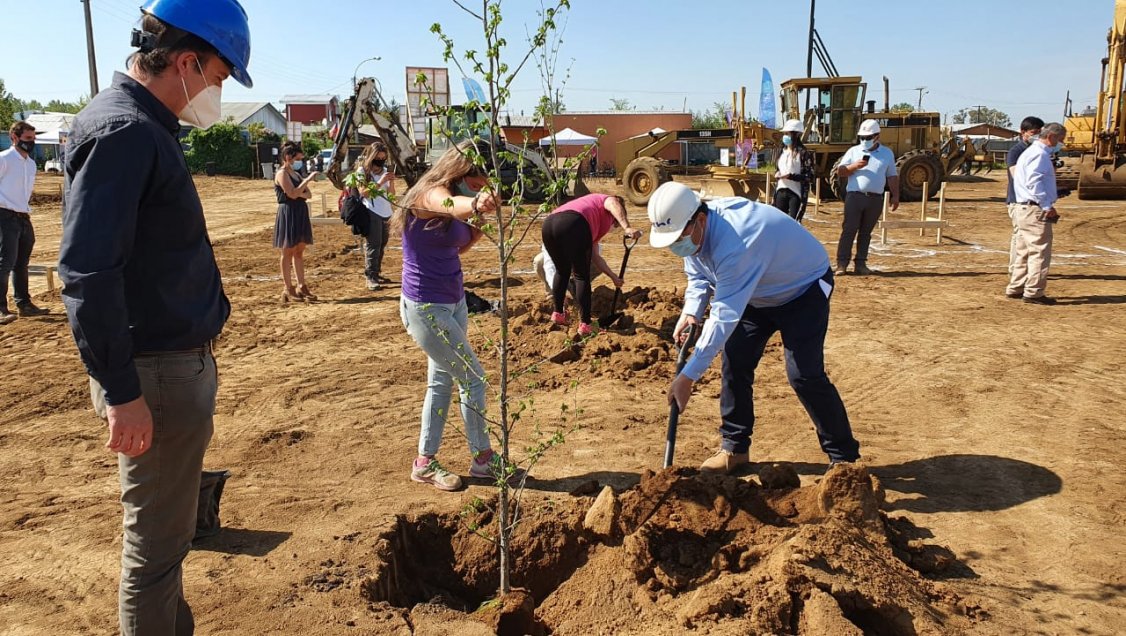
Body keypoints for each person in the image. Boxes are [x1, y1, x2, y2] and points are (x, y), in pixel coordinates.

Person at [56, 0, 252, 633]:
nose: (217, 92)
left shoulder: (140, 127)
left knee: (164, 545)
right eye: (220, 78)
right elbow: (87, 272)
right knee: (155, 555)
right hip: (156, 378)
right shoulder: (125, 132)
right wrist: (122, 393)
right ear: (188, 61)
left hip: (163, 371)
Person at [647, 181, 860, 475]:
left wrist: (688, 376)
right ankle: (734, 449)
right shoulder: (693, 234)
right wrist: (691, 313)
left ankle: (844, 460)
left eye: (677, 237)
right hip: (758, 292)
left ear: (700, 220)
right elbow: (698, 278)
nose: (675, 245)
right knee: (735, 361)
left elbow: (723, 316)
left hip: (804, 288)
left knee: (804, 375)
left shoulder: (737, 241)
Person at [395, 141, 504, 491]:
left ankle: (425, 462)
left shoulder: (463, 199)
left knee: (442, 381)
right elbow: (446, 203)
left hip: (454, 303)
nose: (481, 185)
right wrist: (471, 204)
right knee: (474, 378)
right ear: (460, 171)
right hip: (426, 308)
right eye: (476, 180)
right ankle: (483, 459)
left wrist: (480, 218)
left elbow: (457, 244)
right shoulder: (428, 195)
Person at [540, 193, 642, 336]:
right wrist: (627, 227)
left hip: (549, 225)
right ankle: (586, 325)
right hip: (574, 223)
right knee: (581, 276)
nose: (613, 225)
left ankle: (558, 314)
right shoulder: (607, 200)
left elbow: (596, 257)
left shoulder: (590, 215)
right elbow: (613, 203)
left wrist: (613, 277)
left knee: (562, 271)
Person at [1009, 122, 1065, 305]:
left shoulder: (1029, 152)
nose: (1061, 144)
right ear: (1051, 137)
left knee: (1023, 250)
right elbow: (1034, 182)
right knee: (1039, 251)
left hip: (1023, 206)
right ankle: (1034, 292)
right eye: (1060, 140)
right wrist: (1047, 205)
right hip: (1034, 209)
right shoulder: (1040, 155)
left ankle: (1016, 286)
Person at [834, 119, 899, 275]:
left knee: (865, 232)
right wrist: (854, 166)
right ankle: (842, 264)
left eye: (867, 137)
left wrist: (896, 196)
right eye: (862, 137)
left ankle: (860, 264)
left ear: (877, 136)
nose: (864, 141)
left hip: (875, 199)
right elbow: (840, 171)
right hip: (855, 197)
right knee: (849, 230)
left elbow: (892, 176)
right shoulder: (853, 151)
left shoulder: (887, 153)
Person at [0, 120, 49, 324]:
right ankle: (1, 308)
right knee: (5, 262)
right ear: (14, 138)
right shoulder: (4, 159)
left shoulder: (30, 164)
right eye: (28, 138)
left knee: (21, 263)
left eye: (33, 138)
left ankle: (24, 304)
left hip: (23, 215)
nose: (32, 142)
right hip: (4, 214)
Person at [274, 141, 319, 301]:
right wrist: (306, 181)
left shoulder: (295, 173)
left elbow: (308, 195)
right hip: (289, 213)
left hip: (299, 211)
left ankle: (302, 285)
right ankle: (288, 287)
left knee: (299, 250)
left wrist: (300, 190)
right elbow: (292, 194)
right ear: (287, 157)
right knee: (287, 251)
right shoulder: (281, 174)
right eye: (296, 159)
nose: (298, 161)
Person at [1005, 116, 1044, 296]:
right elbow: (1017, 177)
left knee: (1022, 239)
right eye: (1034, 133)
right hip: (1018, 201)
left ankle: (1019, 274)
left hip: (1028, 201)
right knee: (1019, 237)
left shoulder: (1037, 150)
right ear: (1023, 132)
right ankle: (1015, 270)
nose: (1037, 136)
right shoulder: (1016, 151)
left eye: (1039, 133)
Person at [355, 142, 395, 290]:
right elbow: (363, 192)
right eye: (378, 158)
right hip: (372, 211)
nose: (381, 161)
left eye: (383, 158)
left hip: (386, 212)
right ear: (371, 157)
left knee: (382, 243)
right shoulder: (362, 171)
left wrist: (390, 182)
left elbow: (391, 195)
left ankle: (376, 272)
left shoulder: (384, 171)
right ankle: (370, 276)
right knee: (373, 244)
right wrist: (380, 182)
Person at [772, 119, 815, 222]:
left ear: (796, 135)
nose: (785, 136)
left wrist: (791, 176)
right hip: (780, 191)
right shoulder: (781, 152)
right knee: (778, 222)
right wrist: (777, 174)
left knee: (793, 224)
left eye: (788, 133)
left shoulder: (804, 153)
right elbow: (778, 169)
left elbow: (810, 176)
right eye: (784, 133)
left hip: (795, 194)